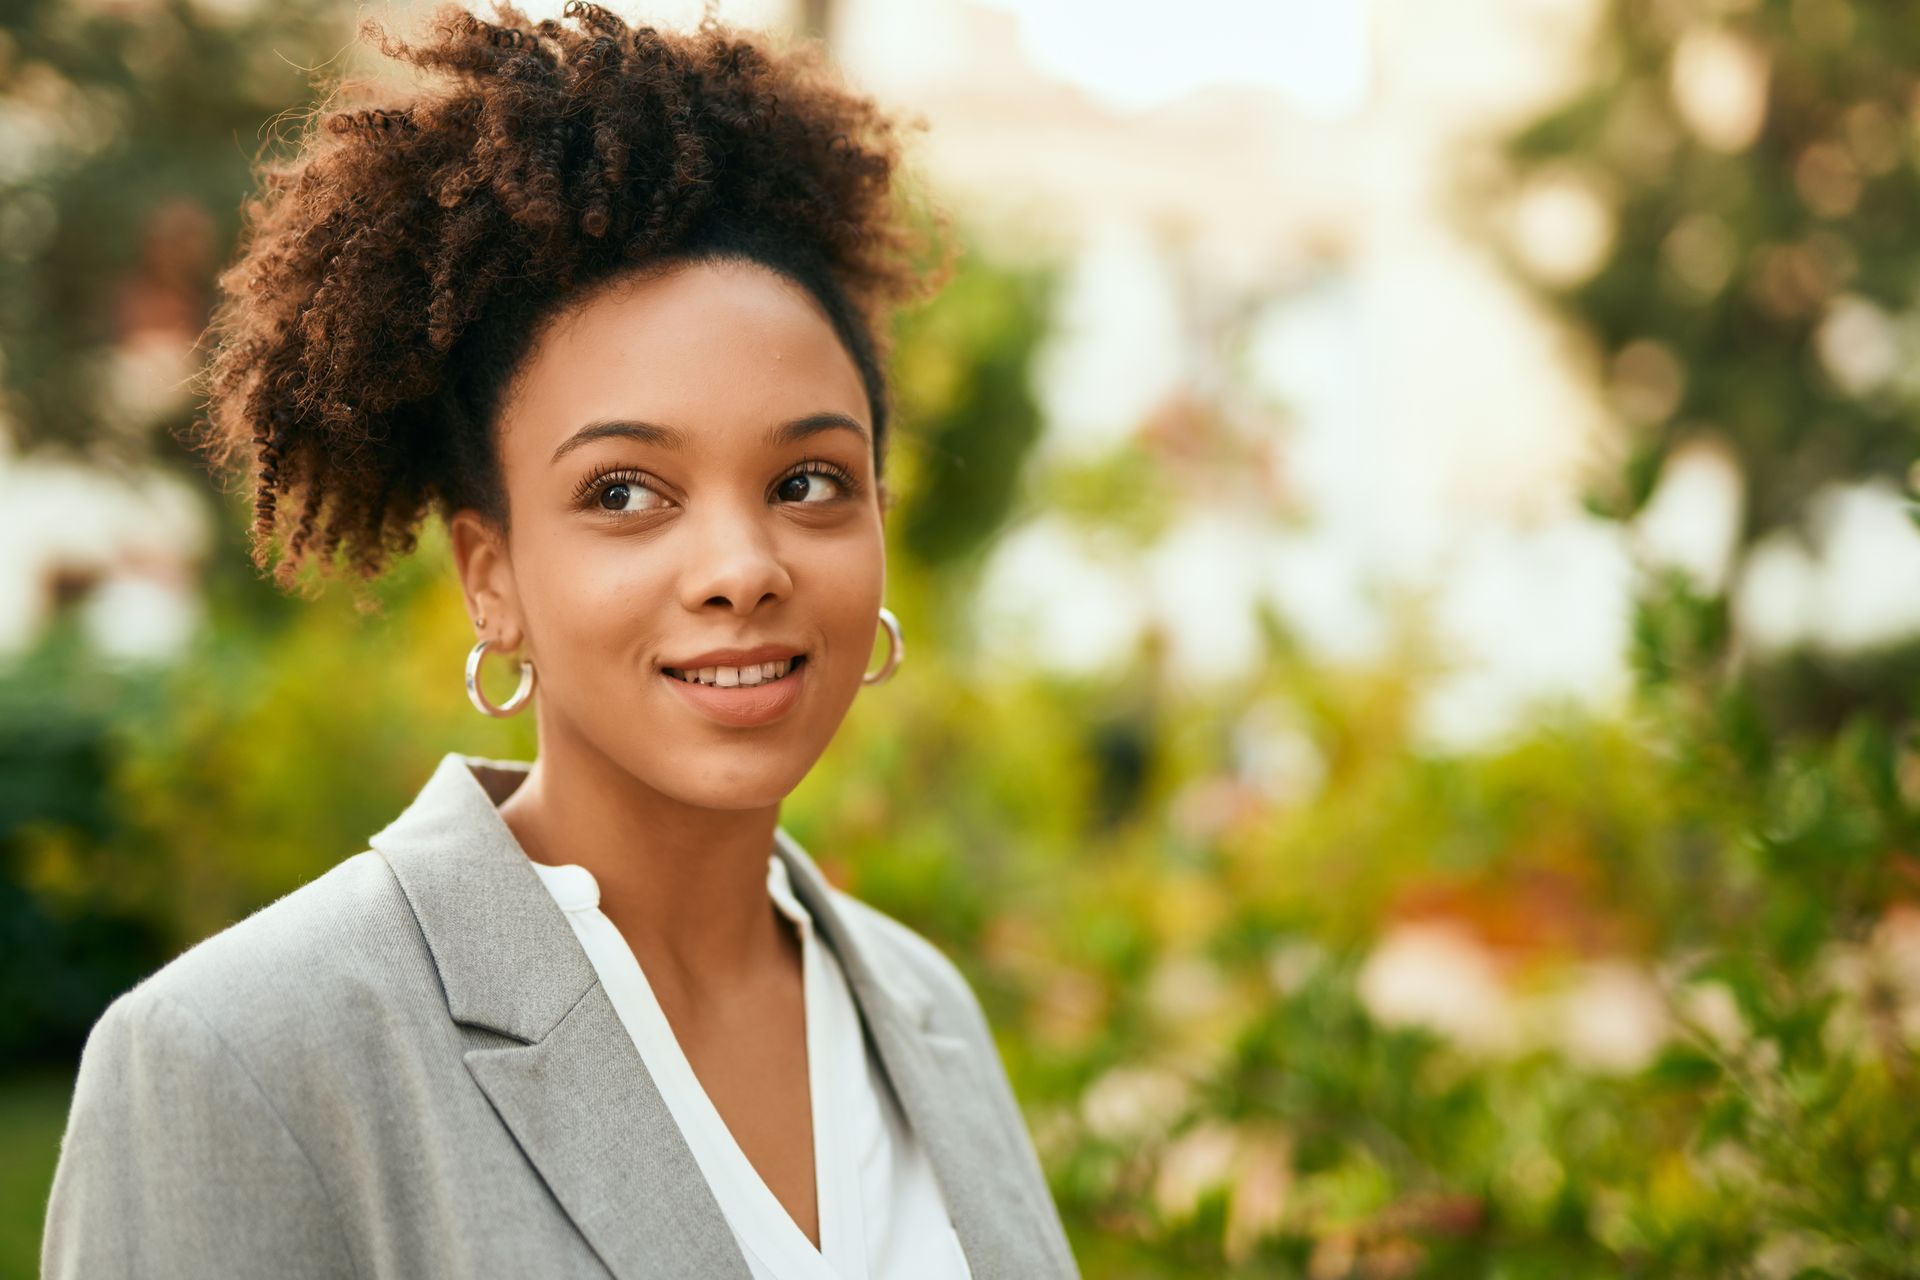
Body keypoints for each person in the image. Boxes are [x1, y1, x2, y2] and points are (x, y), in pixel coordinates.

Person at [38, 4, 1080, 1277]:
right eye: (624, 492)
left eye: (810, 480)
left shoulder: (927, 1014)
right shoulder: (242, 1055)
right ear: (493, 578)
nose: (744, 569)